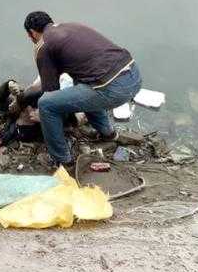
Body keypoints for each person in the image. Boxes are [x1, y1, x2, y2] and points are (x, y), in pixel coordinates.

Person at [23, 11, 142, 167]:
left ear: (31, 33)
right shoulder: (71, 26)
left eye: (29, 35)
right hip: (133, 76)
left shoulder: (43, 46)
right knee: (83, 81)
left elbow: (50, 91)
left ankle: (63, 161)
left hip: (112, 89)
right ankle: (107, 134)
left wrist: (40, 115)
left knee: (46, 104)